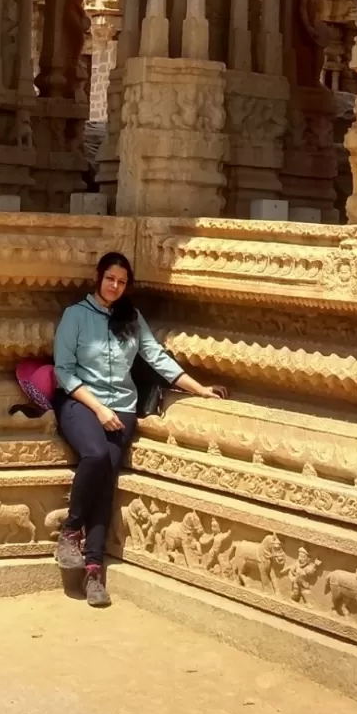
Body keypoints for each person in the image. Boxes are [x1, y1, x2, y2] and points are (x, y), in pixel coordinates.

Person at [53, 250, 227, 608]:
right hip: (81, 403)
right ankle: (70, 532)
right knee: (97, 455)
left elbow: (156, 357)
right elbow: (64, 370)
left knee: (106, 483)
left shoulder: (131, 318)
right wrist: (99, 409)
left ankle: (93, 570)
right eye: (110, 279)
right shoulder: (76, 316)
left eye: (121, 282)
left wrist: (200, 389)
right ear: (98, 278)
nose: (115, 287)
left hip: (123, 408)